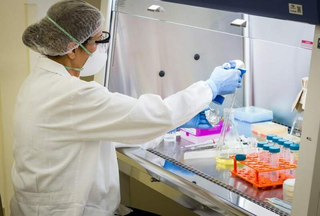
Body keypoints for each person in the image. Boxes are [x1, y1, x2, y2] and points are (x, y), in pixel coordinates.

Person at [10, 0, 242, 215]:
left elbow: (106, 126)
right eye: (97, 41)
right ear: (72, 49)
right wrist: (211, 87)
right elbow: (152, 115)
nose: (102, 48)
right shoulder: (72, 95)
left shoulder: (40, 81)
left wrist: (176, 123)